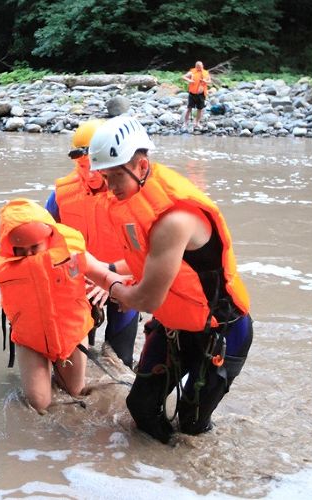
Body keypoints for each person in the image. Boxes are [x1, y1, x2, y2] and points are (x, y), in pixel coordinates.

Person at [86, 116, 254, 444]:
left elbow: (147, 300)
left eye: (116, 175)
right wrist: (110, 269)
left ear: (142, 164)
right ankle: (158, 474)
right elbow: (145, 259)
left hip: (220, 330)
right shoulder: (137, 200)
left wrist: (102, 277)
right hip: (178, 324)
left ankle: (198, 476)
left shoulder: (175, 219)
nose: (111, 187)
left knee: (192, 423)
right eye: (105, 177)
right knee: (142, 407)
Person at [0, 198, 108, 413]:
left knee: (75, 391)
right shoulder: (4, 265)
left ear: (49, 238)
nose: (28, 254)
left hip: (72, 334)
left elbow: (104, 273)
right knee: (39, 405)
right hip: (30, 339)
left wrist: (114, 287)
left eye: (34, 247)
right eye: (20, 249)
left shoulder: (71, 253)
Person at [45, 119, 140, 368]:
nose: (89, 174)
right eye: (82, 165)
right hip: (79, 282)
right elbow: (46, 242)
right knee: (75, 361)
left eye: (95, 167)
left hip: (122, 281)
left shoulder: (128, 194)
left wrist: (110, 282)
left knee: (120, 361)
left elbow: (145, 254)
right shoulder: (61, 194)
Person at [182, 61, 211, 130]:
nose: (199, 68)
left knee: (200, 109)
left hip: (201, 94)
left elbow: (209, 81)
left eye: (200, 66)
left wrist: (205, 81)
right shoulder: (192, 72)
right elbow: (183, 77)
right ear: (196, 66)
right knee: (189, 108)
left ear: (202, 66)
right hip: (192, 93)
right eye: (198, 66)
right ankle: (185, 123)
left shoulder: (205, 72)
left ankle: (197, 123)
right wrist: (189, 80)